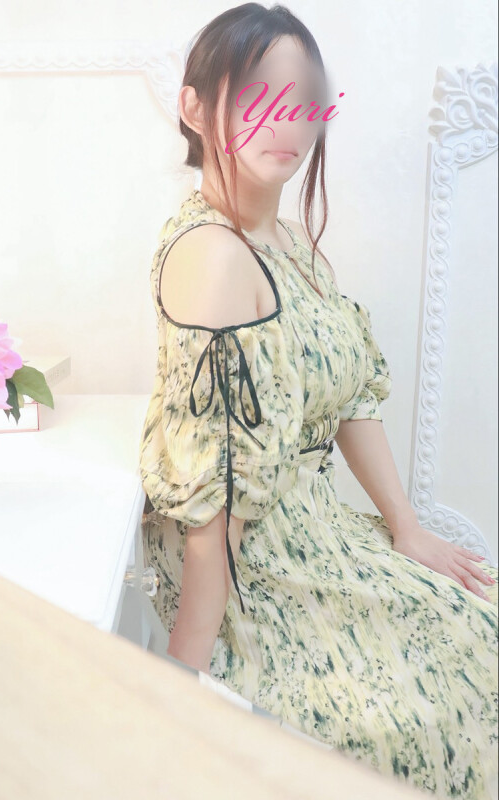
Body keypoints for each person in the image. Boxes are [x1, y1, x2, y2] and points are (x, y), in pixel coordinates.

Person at [138, 5, 498, 798]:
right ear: (193, 107)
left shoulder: (290, 242)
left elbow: (352, 394)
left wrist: (407, 527)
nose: (287, 120)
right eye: (257, 93)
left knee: (482, 618)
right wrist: (181, 683)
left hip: (321, 534)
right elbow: (215, 503)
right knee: (465, 672)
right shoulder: (213, 258)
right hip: (264, 574)